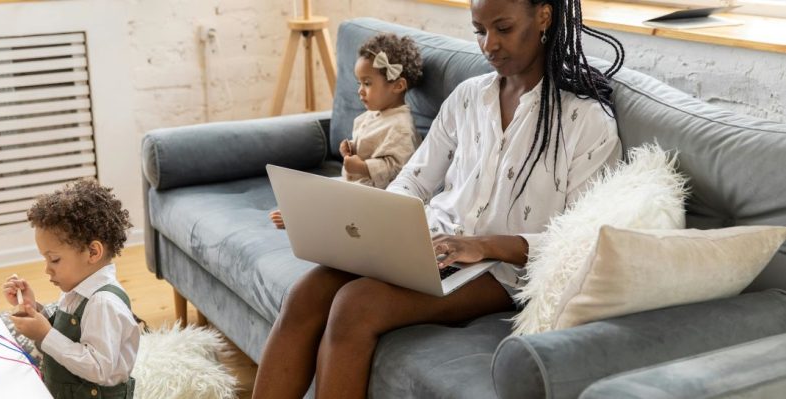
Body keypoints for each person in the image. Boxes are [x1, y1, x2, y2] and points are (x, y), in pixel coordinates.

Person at [252, 0, 626, 397]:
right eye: (479, 30)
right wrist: (366, 220)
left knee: (354, 306)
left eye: (503, 28)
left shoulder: (587, 121)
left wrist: (480, 246)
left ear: (544, 17)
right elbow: (413, 181)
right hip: (433, 242)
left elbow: (581, 244)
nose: (489, 45)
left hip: (501, 270)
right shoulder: (468, 97)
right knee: (305, 293)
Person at [269, 33, 423, 229]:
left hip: (377, 193)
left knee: (336, 202)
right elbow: (369, 145)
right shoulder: (374, 114)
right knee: (317, 188)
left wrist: (362, 167)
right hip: (355, 184)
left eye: (367, 83)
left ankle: (304, 217)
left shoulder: (400, 126)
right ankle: (302, 207)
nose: (360, 90)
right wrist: (351, 148)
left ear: (398, 85)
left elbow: (397, 168)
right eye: (359, 83)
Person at [3, 179, 139, 399]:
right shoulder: (77, 288)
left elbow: (99, 368)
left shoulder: (103, 304)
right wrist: (34, 309)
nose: (47, 269)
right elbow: (68, 331)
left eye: (54, 259)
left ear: (92, 253)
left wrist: (44, 334)